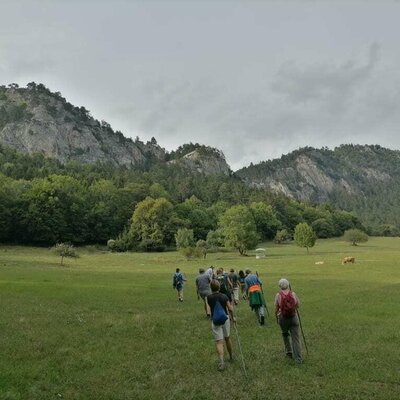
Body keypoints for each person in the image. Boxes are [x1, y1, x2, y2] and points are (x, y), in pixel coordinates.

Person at [206, 279, 235, 371]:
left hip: (215, 320)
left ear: (211, 288)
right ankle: (231, 356)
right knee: (227, 338)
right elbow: (230, 309)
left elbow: (208, 310)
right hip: (225, 319)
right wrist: (233, 317)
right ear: (219, 287)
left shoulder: (208, 297)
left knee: (219, 342)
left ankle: (221, 361)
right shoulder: (224, 296)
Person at [274, 278, 302, 364]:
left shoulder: (278, 295)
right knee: (295, 338)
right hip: (294, 317)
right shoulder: (293, 293)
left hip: (283, 318)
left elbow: (276, 308)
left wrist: (276, 317)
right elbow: (298, 305)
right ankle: (298, 359)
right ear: (288, 285)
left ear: (279, 286)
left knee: (285, 334)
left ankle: (289, 352)